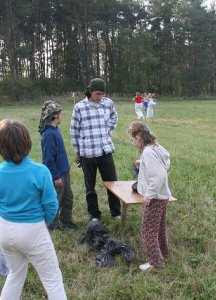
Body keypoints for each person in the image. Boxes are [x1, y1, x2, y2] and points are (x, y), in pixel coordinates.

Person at [0, 119, 67, 300]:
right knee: (52, 278)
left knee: (14, 274)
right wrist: (42, 222)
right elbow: (51, 204)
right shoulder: (40, 171)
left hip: (5, 230)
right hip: (33, 230)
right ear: (28, 142)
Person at [70, 78, 121, 221]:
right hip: (87, 152)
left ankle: (116, 212)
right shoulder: (79, 107)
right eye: (98, 94)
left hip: (105, 150)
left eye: (102, 94)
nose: (100, 97)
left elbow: (114, 116)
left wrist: (107, 130)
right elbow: (74, 131)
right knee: (90, 186)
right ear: (90, 91)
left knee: (112, 183)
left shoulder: (108, 103)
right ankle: (94, 214)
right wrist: (78, 152)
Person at [128, 122, 171, 271]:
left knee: (148, 230)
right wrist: (144, 163)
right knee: (159, 227)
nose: (132, 142)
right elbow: (166, 160)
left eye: (132, 139)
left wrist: (149, 196)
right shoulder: (156, 147)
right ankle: (164, 252)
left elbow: (158, 176)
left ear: (139, 137)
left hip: (155, 198)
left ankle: (155, 261)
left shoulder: (147, 152)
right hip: (163, 196)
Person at [38, 100, 77, 230]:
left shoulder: (55, 130)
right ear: (55, 116)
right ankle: (52, 225)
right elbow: (48, 160)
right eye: (60, 114)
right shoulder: (49, 134)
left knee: (67, 197)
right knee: (56, 199)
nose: (61, 116)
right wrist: (56, 176)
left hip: (64, 172)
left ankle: (65, 220)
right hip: (57, 175)